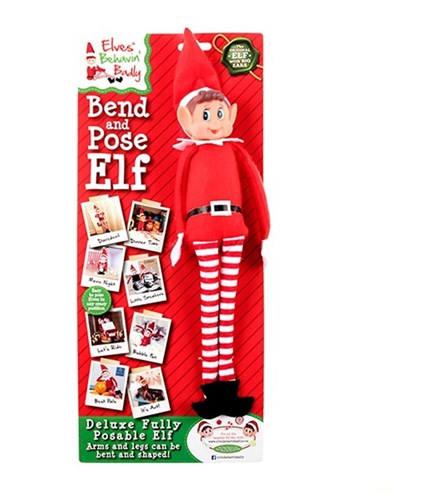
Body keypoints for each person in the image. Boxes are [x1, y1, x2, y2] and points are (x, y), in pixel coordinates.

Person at [171, 29, 270, 419]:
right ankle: (210, 388)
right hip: (201, 231)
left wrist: (265, 232)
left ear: (231, 114)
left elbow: (257, 190)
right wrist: (179, 234)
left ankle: (227, 383)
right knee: (209, 303)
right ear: (186, 119)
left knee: (226, 307)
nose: (213, 123)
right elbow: (179, 195)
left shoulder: (235, 151)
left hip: (234, 228)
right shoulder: (189, 154)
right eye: (204, 115)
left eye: (218, 113)